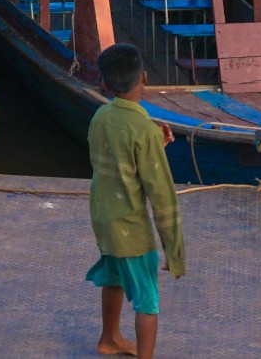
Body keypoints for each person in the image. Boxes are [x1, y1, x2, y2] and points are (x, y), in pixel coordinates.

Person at [87, 42, 184, 357]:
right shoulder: (144, 129)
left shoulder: (101, 115)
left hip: (104, 219)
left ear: (104, 83)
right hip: (131, 228)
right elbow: (162, 196)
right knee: (147, 301)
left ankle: (110, 338)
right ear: (145, 77)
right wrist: (174, 250)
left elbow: (118, 160)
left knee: (114, 278)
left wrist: (156, 143)